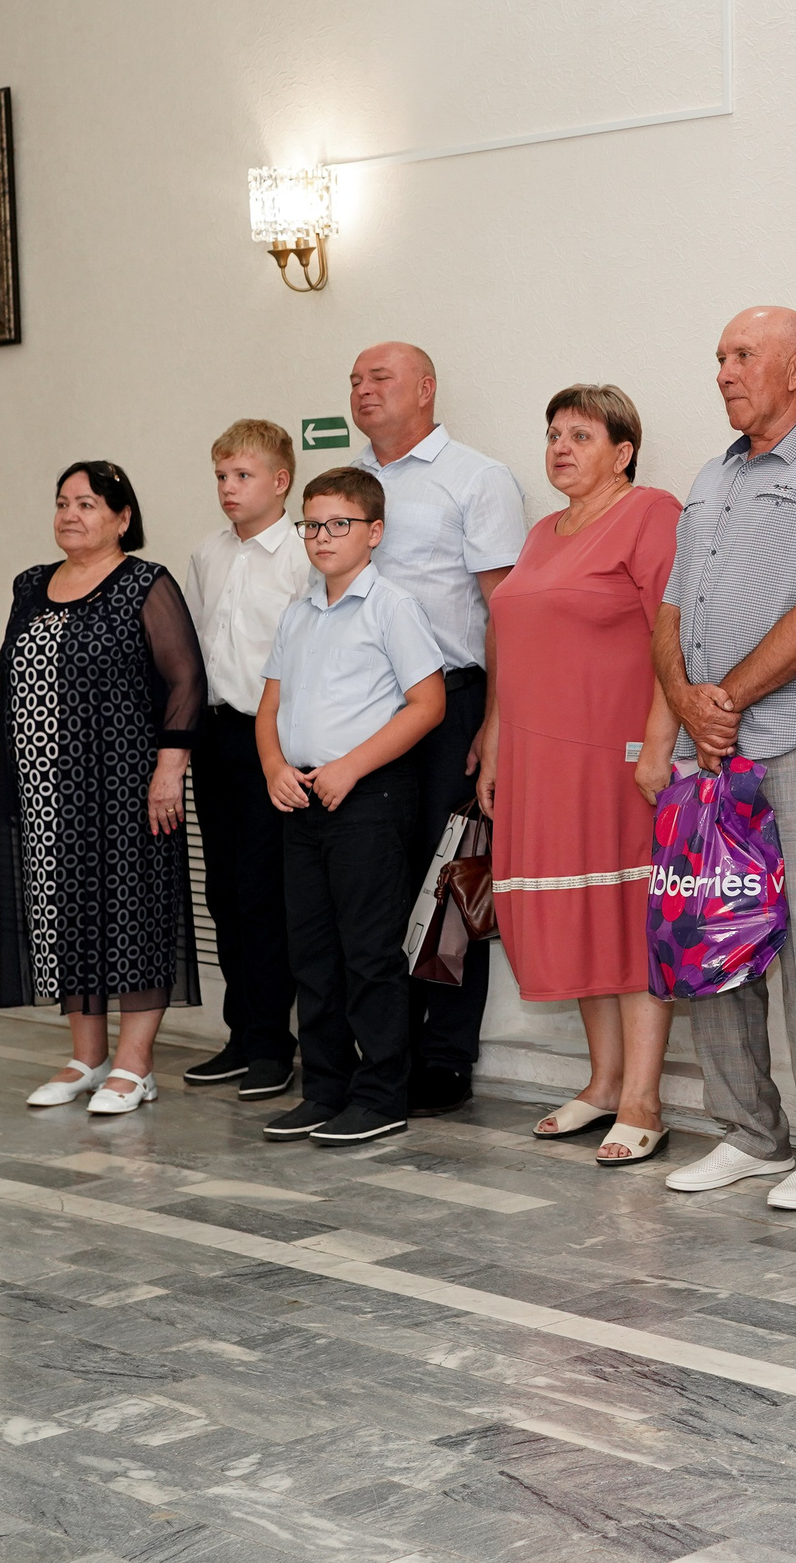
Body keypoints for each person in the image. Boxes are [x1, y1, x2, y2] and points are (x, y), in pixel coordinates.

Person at [654, 306, 796, 1211]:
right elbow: (670, 613)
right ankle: (748, 1134)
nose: (724, 371)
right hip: (710, 751)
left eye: (742, 355)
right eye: (718, 357)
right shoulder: (711, 477)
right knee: (710, 940)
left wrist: (726, 702)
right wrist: (687, 705)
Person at [478, 386, 684, 1167]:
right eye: (553, 434)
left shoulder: (651, 512)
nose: (561, 447)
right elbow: (515, 650)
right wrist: (496, 741)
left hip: (617, 754)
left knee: (627, 919)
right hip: (538, 757)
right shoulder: (538, 533)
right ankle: (602, 1083)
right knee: (578, 915)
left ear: (623, 451)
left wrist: (661, 742)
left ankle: (644, 1099)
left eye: (582, 435)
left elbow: (677, 632)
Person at [347, 342, 528, 1116]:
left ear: (425, 389)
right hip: (363, 710)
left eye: (378, 377)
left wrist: (495, 721)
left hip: (452, 703)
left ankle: (447, 1057)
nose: (362, 390)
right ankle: (384, 1051)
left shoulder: (475, 479)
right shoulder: (349, 488)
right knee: (374, 885)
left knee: (454, 880)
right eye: (354, 380)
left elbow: (506, 614)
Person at [0, 461, 204, 1118]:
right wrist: (5, 766)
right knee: (66, 911)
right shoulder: (30, 585)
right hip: (47, 786)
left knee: (135, 913)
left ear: (122, 517)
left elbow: (186, 680)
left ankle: (136, 1066)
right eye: (62, 503)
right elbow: (7, 684)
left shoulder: (146, 582)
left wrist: (169, 768)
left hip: (127, 784)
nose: (70, 515)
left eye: (86, 503)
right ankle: (87, 1057)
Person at [254, 467, 448, 1148]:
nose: (322, 536)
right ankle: (326, 1088)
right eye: (312, 523)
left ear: (374, 532)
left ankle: (382, 1093)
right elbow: (269, 706)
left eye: (339, 523)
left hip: (367, 798)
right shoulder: (299, 610)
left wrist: (349, 768)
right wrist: (276, 766)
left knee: (369, 954)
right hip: (301, 800)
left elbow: (429, 706)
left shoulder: (390, 606)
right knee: (312, 954)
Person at [182, 420, 313, 1103]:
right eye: (221, 477)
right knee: (226, 892)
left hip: (274, 742)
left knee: (266, 893)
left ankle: (273, 1042)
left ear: (280, 481)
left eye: (242, 476)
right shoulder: (208, 555)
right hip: (217, 737)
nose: (229, 489)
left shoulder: (298, 555)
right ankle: (242, 1034)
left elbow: (301, 656)